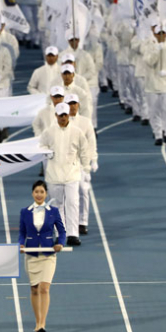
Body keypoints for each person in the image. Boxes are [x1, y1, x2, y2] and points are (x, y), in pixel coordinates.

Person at [39, 102, 90, 246]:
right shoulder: (48, 132)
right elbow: (41, 147)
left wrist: (86, 168)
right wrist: (47, 155)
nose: (63, 118)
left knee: (72, 203)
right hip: (54, 175)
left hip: (72, 174)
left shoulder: (77, 131)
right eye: (60, 115)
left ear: (69, 115)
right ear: (56, 115)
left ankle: (73, 234)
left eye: (65, 115)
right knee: (56, 205)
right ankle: (61, 234)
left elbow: (84, 149)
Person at [19, 180, 66, 332]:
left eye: (42, 192)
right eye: (36, 192)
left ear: (46, 194)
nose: (39, 194)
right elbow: (22, 233)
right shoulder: (25, 212)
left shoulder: (53, 211)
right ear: (32, 193)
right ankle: (37, 320)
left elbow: (62, 231)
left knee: (44, 288)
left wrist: (60, 243)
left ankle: (42, 323)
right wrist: (20, 245)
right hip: (31, 255)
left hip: (48, 254)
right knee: (34, 289)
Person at [66, 94, 98, 235]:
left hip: (82, 162)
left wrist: (93, 160)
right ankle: (68, 221)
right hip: (66, 163)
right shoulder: (60, 122)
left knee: (83, 191)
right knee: (66, 193)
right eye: (70, 103)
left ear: (78, 105)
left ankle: (82, 222)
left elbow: (92, 142)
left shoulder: (86, 122)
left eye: (75, 103)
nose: (72, 106)